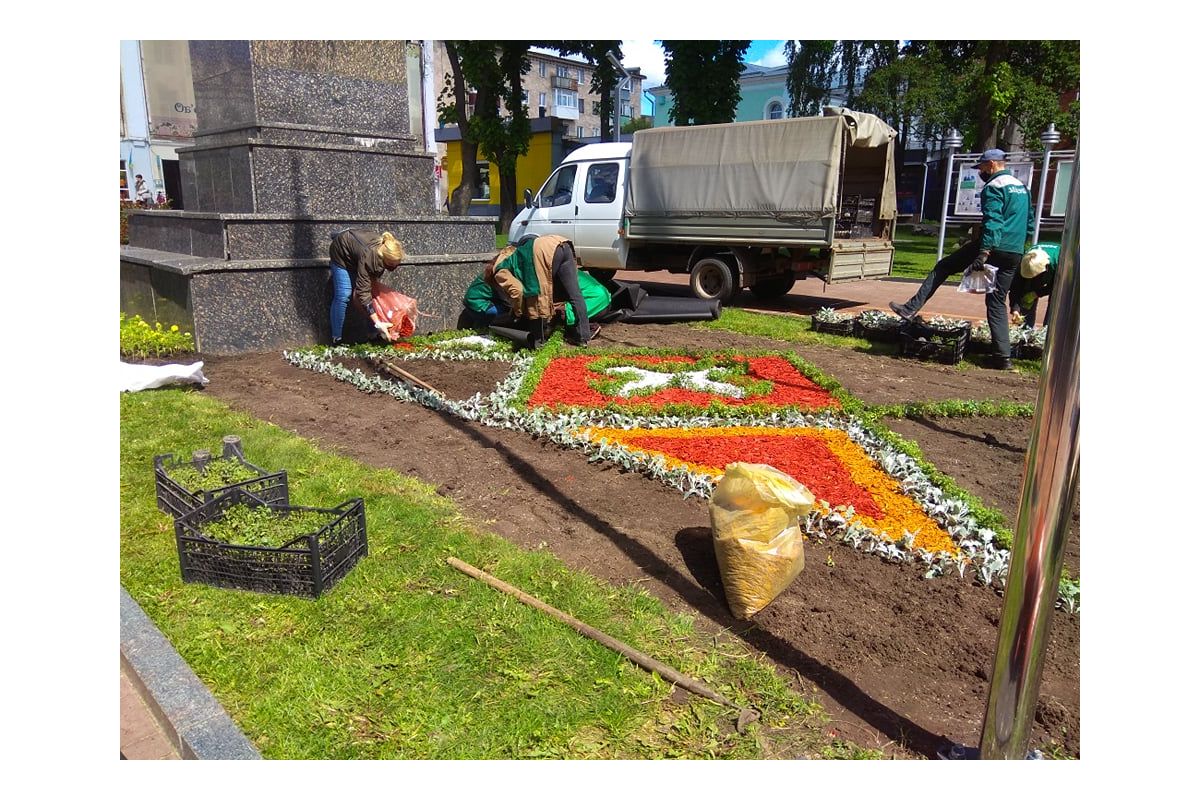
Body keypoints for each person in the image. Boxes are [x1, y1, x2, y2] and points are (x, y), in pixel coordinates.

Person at [890, 148, 1034, 369]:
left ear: (992, 165)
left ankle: (910, 308)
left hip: (994, 245)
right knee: (996, 301)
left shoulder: (994, 187)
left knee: (944, 266)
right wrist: (1022, 247)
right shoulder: (1022, 188)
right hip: (1015, 250)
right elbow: (1030, 223)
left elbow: (993, 221)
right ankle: (1002, 358)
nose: (981, 172)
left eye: (983, 168)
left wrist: (985, 252)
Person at [485, 235, 599, 347]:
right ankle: (583, 338)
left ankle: (539, 341)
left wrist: (517, 313)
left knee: (536, 295)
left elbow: (517, 291)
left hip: (542, 251)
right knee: (575, 294)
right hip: (561, 243)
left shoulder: (499, 271)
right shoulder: (511, 255)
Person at [328, 228, 407, 345]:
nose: (392, 269)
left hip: (358, 252)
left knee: (372, 294)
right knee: (344, 294)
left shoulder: (381, 252)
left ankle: (373, 334)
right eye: (390, 265)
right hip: (342, 254)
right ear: (384, 258)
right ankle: (337, 338)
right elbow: (363, 292)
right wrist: (378, 322)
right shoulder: (369, 257)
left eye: (396, 265)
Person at [1009, 243, 1060, 330]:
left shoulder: (1059, 261)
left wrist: (1036, 293)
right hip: (1043, 269)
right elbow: (1015, 287)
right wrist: (1015, 309)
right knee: (1026, 292)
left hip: (1058, 272)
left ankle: (1048, 331)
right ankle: (1026, 328)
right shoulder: (1024, 261)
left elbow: (1055, 286)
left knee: (1056, 301)